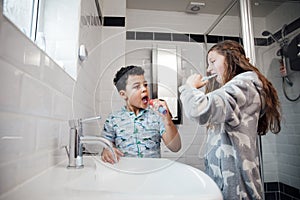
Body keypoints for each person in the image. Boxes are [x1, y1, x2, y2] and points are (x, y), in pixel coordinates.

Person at [179, 40, 281, 200]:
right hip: (230, 185)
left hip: (237, 189)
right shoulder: (238, 88)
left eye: (213, 61)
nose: (208, 69)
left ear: (231, 58)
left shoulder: (243, 85)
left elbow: (198, 109)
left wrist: (189, 87)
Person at [101, 65, 181, 164]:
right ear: (123, 94)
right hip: (126, 173)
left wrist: (167, 119)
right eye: (137, 86)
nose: (144, 89)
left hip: (152, 173)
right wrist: (106, 151)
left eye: (145, 85)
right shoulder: (113, 119)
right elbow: (106, 146)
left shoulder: (157, 116)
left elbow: (176, 147)